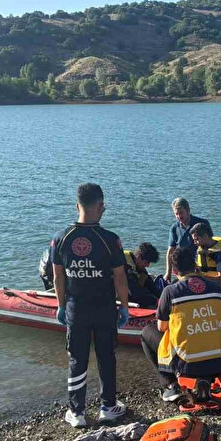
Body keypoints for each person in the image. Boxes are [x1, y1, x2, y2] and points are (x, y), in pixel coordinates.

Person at [50, 183, 130, 427]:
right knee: (106, 356)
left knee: (77, 358)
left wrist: (61, 305)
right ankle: (107, 406)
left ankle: (77, 412)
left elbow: (58, 278)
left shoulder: (60, 238)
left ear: (77, 206)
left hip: (76, 308)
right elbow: (120, 277)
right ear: (100, 206)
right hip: (104, 308)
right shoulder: (110, 240)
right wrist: (124, 307)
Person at [141, 246, 221, 402]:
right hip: (220, 360)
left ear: (176, 272)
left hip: (188, 363)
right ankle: (208, 376)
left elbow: (161, 327)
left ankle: (171, 384)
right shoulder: (217, 288)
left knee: (147, 333)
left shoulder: (170, 292)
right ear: (195, 266)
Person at [165, 197, 209, 281]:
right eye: (176, 214)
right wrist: (168, 273)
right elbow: (170, 251)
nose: (179, 216)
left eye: (181, 213)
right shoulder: (174, 228)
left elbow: (211, 244)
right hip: (183, 269)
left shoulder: (202, 224)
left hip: (201, 267)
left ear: (188, 210)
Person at [190, 222, 221, 295]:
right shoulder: (204, 247)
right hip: (206, 288)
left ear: (205, 236)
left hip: (220, 292)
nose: (194, 242)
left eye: (196, 239)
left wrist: (200, 277)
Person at [124, 242, 163, 308]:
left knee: (146, 280)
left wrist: (162, 297)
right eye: (146, 262)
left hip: (131, 288)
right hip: (112, 290)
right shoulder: (125, 263)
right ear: (139, 257)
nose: (148, 265)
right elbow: (135, 292)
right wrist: (155, 300)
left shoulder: (137, 264)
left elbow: (150, 285)